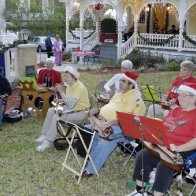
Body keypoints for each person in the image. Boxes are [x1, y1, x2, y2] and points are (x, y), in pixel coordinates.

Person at [130, 82, 196, 196]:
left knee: (165, 164)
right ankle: (140, 191)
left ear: (194, 97)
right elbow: (162, 127)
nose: (179, 98)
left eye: (183, 95)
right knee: (143, 155)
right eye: (179, 95)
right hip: (164, 146)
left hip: (184, 151)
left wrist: (179, 147)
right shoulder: (175, 110)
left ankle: (156, 194)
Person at [80, 71, 146, 177]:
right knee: (86, 130)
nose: (120, 83)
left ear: (131, 85)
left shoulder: (135, 99)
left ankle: (91, 169)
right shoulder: (118, 94)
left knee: (107, 138)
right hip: (104, 122)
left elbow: (129, 120)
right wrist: (97, 110)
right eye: (120, 80)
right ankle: (93, 159)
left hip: (125, 130)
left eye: (123, 81)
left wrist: (110, 122)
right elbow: (109, 107)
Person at [36, 66, 90, 152]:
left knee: (57, 117)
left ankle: (48, 141)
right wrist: (61, 100)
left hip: (81, 112)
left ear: (74, 77)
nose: (64, 78)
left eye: (67, 76)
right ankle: (45, 134)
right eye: (64, 76)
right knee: (51, 111)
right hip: (70, 108)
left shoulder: (80, 87)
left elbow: (71, 104)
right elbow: (69, 100)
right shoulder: (69, 85)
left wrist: (61, 92)